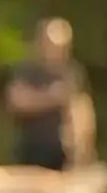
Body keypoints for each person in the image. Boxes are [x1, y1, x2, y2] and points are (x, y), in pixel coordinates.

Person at [5, 18, 93, 171]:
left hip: (62, 155)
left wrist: (81, 147)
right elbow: (17, 101)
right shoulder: (27, 71)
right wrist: (52, 97)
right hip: (31, 149)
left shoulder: (73, 73)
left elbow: (81, 111)